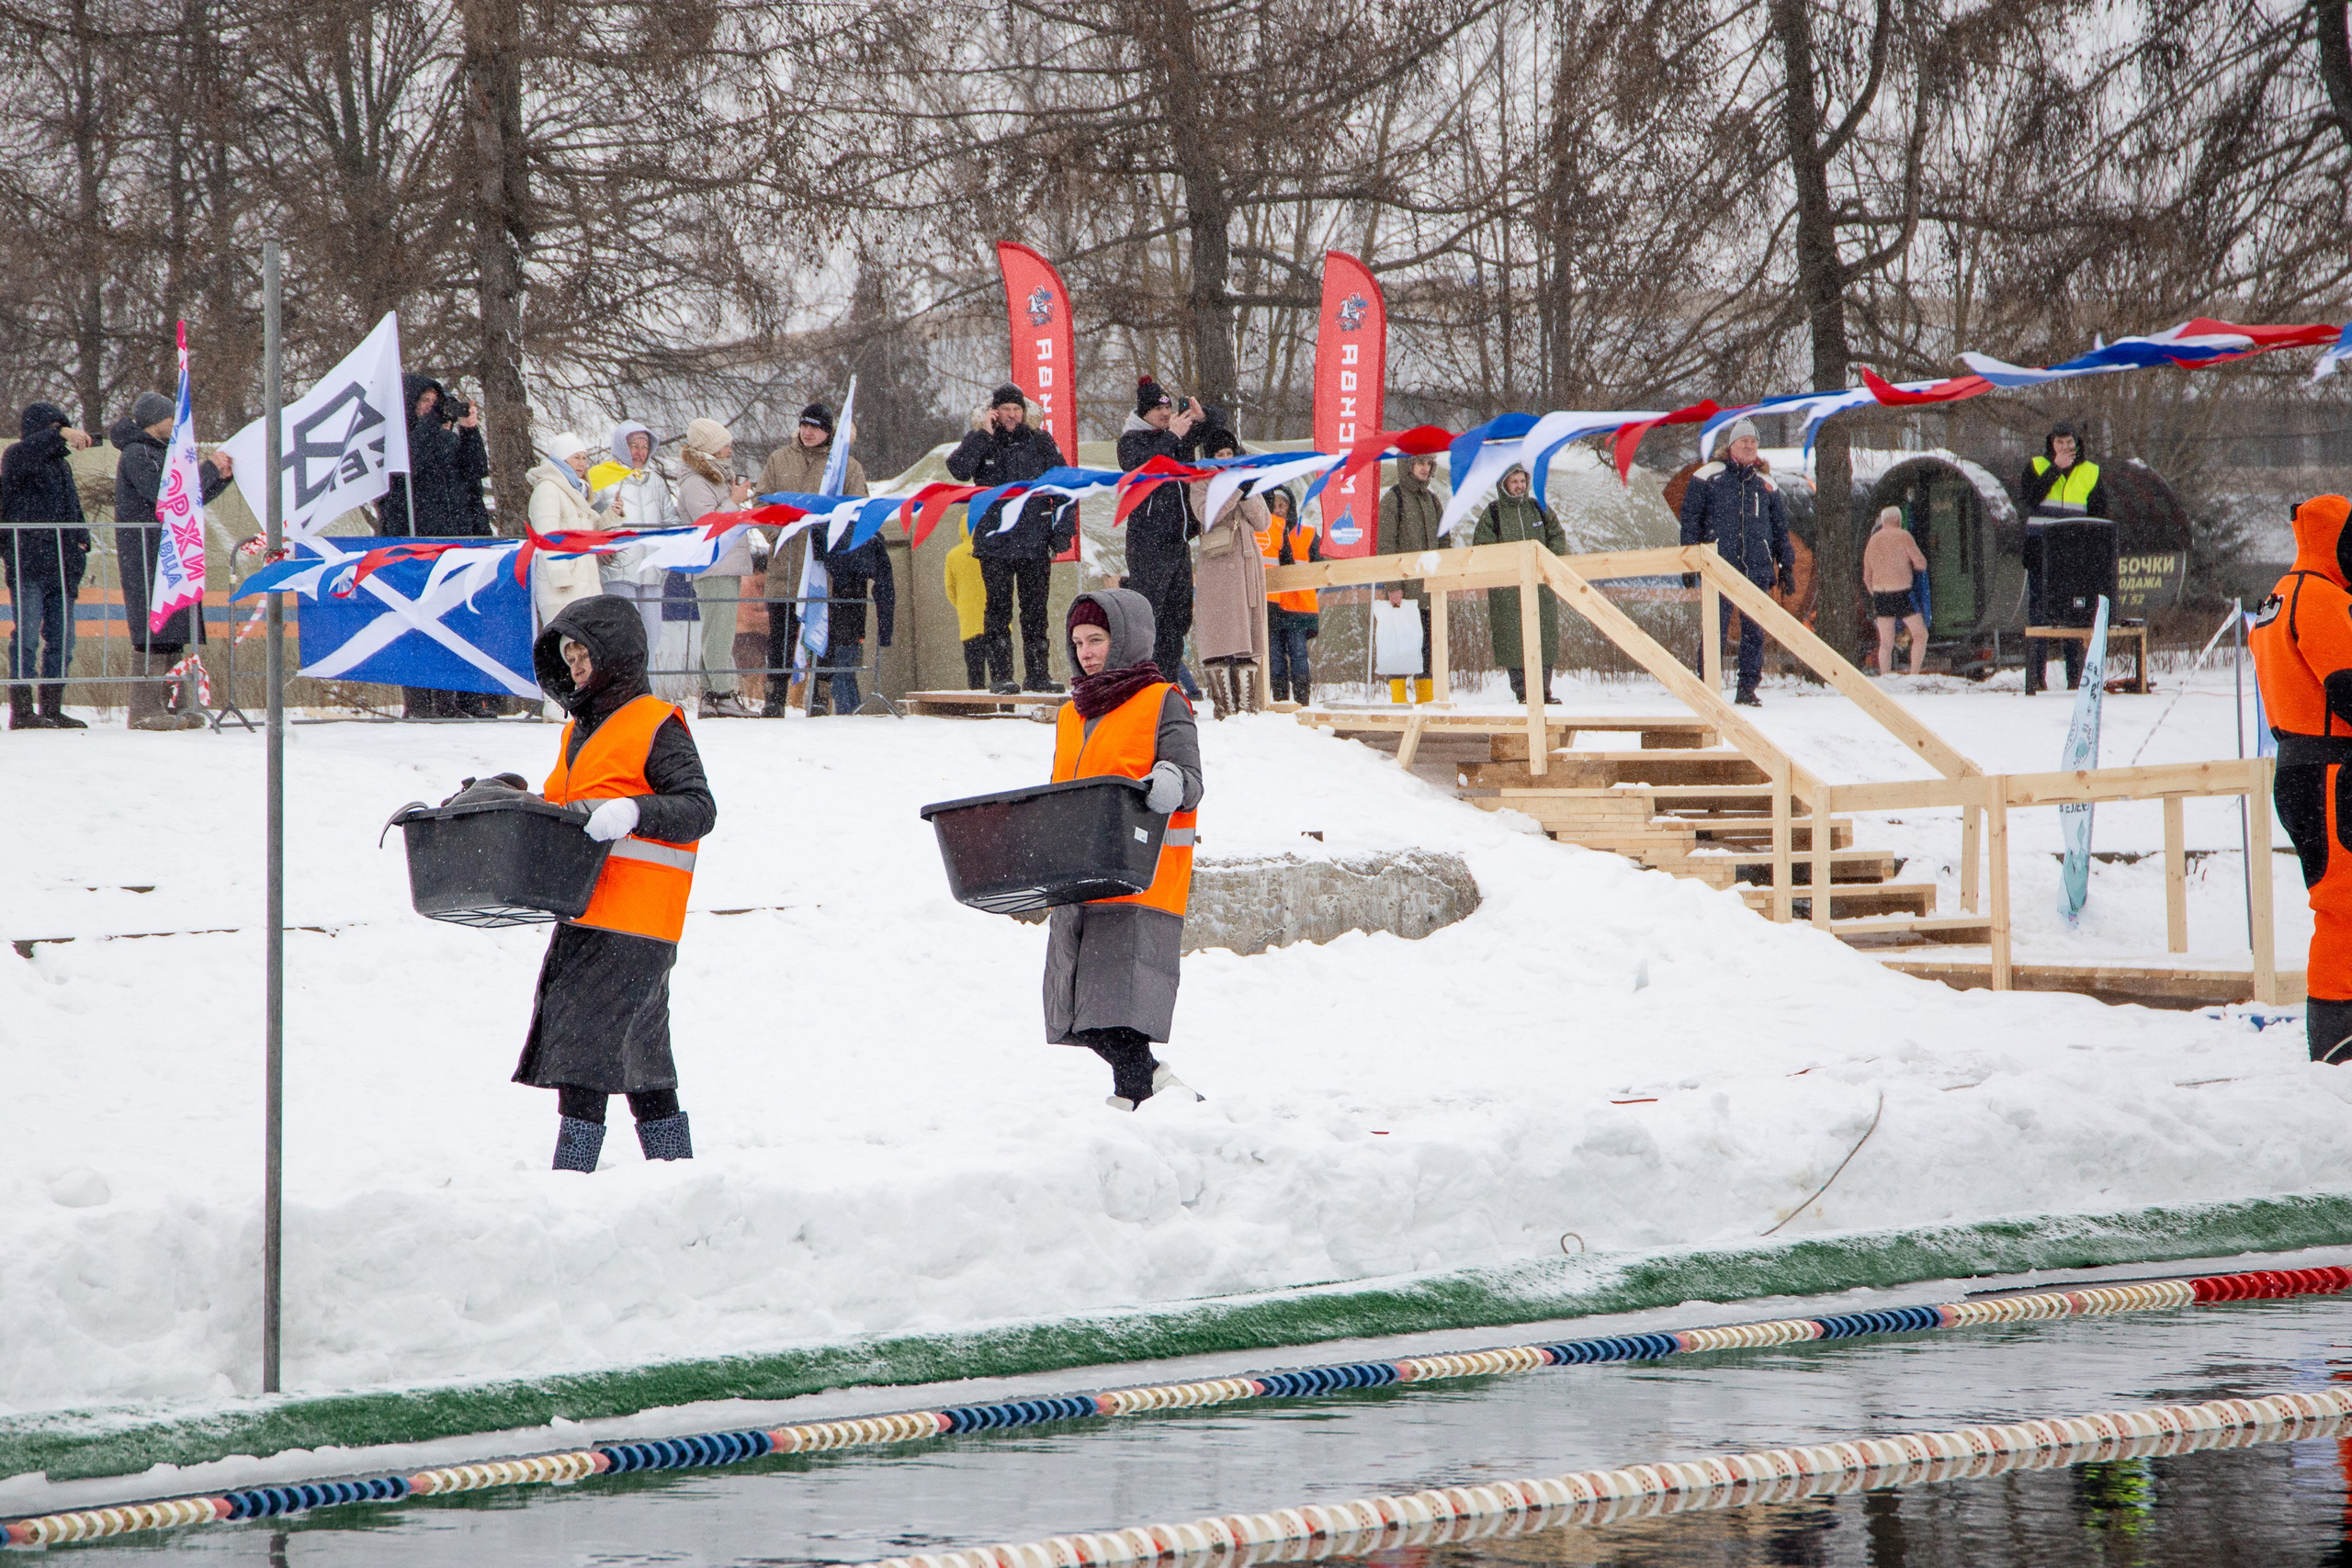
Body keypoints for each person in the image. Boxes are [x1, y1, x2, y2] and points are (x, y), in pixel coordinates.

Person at [517, 594, 717, 1171]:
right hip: (588, 912)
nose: (576, 666)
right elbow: (568, 809)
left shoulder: (655, 722)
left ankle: (573, 1174)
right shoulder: (579, 733)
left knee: (584, 1049)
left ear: (616, 655)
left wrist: (635, 811)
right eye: (569, 656)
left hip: (634, 919)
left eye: (584, 653)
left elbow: (698, 807)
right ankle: (675, 1170)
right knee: (639, 1051)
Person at [1045, 589, 1206, 1111]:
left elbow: (1192, 779)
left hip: (1140, 878)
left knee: (1114, 1008)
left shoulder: (1163, 700)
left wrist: (1171, 779)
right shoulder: (1072, 714)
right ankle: (1145, 1090)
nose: (1087, 652)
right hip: (1080, 881)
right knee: (1078, 1011)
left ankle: (1137, 1095)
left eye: (1097, 639)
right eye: (1078, 642)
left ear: (1125, 639)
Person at [2249, 495, 2352, 1065]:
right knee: (2344, 903)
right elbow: (2347, 686)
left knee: (2333, 900)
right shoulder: (2320, 598)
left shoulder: (2276, 597)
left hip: (2297, 764)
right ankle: (2339, 1040)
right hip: (2331, 768)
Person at [112, 390, 232, 730]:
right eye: (170, 417)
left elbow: (190, 498)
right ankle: (146, 710)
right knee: (154, 627)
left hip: (172, 553)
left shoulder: (162, 453)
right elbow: (165, 493)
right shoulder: (138, 454)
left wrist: (220, 479)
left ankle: (175, 704)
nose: (175, 423)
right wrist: (208, 467)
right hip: (148, 553)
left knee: (175, 628)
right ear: (155, 420)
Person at [945, 385, 1072, 694]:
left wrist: (1062, 532)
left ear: (1024, 413)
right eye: (1005, 409)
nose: (1012, 415)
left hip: (1034, 540)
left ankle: (1038, 675)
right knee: (997, 610)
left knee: (1035, 610)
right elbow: (957, 470)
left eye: (1017, 409)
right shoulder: (984, 442)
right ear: (995, 413)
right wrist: (982, 435)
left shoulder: (1040, 441)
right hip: (995, 543)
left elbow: (1067, 487)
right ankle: (1002, 676)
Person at [381, 376, 494, 717]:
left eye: (437, 400)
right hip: (416, 544)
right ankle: (419, 704)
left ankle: (455, 701)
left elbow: (475, 471)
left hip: (455, 540)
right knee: (418, 626)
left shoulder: (445, 438)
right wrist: (433, 421)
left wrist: (470, 431)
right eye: (425, 401)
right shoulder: (400, 441)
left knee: (455, 621)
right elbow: (411, 463)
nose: (433, 407)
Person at [757, 402, 868, 715]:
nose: (808, 432)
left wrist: (832, 541)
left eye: (815, 427)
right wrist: (775, 534)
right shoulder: (778, 460)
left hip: (823, 568)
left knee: (825, 634)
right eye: (804, 425)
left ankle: (820, 699)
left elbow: (857, 509)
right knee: (780, 634)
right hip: (786, 564)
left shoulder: (847, 467)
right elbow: (761, 500)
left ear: (828, 432)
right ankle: (774, 698)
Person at [1677, 417, 1792, 707]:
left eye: (1753, 442)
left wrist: (1786, 565)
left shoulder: (1766, 484)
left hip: (1757, 567)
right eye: (1744, 442)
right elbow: (1691, 518)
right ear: (1731, 446)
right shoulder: (1708, 476)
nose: (1750, 447)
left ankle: (1747, 688)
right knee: (1715, 627)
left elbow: (1779, 527)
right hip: (1719, 565)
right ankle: (1707, 687)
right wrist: (1689, 559)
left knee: (1754, 630)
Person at [1, 401, 94, 730]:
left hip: (63, 566)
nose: (60, 433)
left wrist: (82, 539)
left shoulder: (61, 467)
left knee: (62, 640)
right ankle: (23, 711)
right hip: (28, 563)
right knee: (26, 638)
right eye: (53, 427)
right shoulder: (16, 456)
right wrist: (60, 432)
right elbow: (31, 449)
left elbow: (73, 509)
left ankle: (52, 707)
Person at [1115, 376, 1204, 682]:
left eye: (1167, 408)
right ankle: (1143, 681)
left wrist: (1201, 418)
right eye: (1157, 409)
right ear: (1143, 413)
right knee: (1148, 616)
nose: (1165, 414)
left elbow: (1215, 438)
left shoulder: (1174, 436)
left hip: (1178, 541)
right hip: (1148, 543)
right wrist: (1173, 439)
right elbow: (1145, 466)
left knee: (1178, 618)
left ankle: (1167, 682)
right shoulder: (1131, 440)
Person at [675, 417, 760, 718]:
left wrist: (737, 501)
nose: (730, 448)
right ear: (711, 447)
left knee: (717, 632)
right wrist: (734, 501)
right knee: (719, 634)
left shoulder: (714, 478)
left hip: (723, 563)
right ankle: (722, 693)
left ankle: (711, 696)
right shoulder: (697, 482)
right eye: (725, 443)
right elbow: (706, 525)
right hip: (713, 565)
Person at [2018, 420, 2111, 695]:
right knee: (2038, 613)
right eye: (2059, 443)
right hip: (2041, 551)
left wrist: (2096, 554)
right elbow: (2031, 498)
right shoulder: (2036, 466)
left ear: (2077, 443)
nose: (2065, 448)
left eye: (2069, 442)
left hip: (2075, 553)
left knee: (2076, 614)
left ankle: (2075, 679)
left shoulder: (2091, 471)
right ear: (2051, 445)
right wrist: (2054, 470)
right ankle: (2036, 678)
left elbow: (2099, 513)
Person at [1188, 427, 1269, 717]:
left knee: (1247, 637)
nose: (1226, 459)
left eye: (1229, 453)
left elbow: (1263, 522)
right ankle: (1225, 705)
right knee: (1220, 634)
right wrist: (1235, 491)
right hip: (1218, 565)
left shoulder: (1244, 477)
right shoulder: (1200, 482)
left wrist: (1248, 492)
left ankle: (1246, 707)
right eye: (1219, 455)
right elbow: (1207, 514)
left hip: (1246, 564)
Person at [1472, 464, 1568, 705]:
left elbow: (1557, 536)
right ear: (1504, 484)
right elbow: (1483, 547)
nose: (1519, 486)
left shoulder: (1538, 508)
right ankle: (1524, 692)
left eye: (1522, 481)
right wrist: (1509, 567)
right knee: (1513, 642)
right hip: (1508, 592)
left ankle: (1543, 691)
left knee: (1544, 638)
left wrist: (1547, 562)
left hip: (1540, 589)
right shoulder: (1493, 513)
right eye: (1514, 481)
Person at [1375, 453, 1448, 704]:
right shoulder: (1393, 499)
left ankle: (1425, 701)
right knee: (1400, 646)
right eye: (1420, 463)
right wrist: (1393, 585)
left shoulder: (1432, 500)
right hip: (1403, 590)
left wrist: (1444, 575)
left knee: (1428, 647)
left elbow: (1444, 539)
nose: (1425, 468)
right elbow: (1385, 546)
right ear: (1408, 465)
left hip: (1430, 588)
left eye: (1429, 464)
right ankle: (1398, 702)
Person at [525, 433, 610, 631]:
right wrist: (560, 574)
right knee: (562, 649)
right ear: (562, 460)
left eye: (584, 458)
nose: (582, 464)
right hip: (561, 589)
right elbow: (547, 536)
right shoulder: (548, 489)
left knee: (580, 651)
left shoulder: (576, 491)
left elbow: (592, 530)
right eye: (576, 458)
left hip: (582, 585)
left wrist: (612, 516)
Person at [1259, 488, 1322, 705]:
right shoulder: (1261, 533)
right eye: (1274, 504)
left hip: (1298, 608)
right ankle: (1280, 702)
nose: (1278, 509)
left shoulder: (1307, 534)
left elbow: (1320, 570)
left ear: (1290, 506)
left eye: (1283, 504)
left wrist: (1308, 592)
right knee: (1275, 658)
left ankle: (1302, 703)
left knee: (1297, 655)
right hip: (1273, 607)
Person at [1862, 505, 1930, 678]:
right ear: (1899, 520)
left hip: (1880, 595)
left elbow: (1866, 576)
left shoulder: (1873, 540)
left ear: (1883, 521)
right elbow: (1921, 564)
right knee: (1920, 634)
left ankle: (1885, 675)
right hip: (1902, 594)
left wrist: (1875, 593)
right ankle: (1913, 674)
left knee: (1886, 642)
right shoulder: (1903, 536)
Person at [944, 523, 992, 688]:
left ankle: (978, 705)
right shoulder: (991, 549)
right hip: (995, 618)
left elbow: (950, 588)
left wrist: (962, 605)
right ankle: (1007, 706)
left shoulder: (953, 555)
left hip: (969, 620)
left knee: (975, 669)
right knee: (1000, 669)